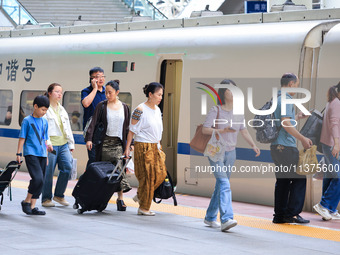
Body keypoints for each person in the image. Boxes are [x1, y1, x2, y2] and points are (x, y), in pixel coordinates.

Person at [202, 79, 260, 232]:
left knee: (221, 185)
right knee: (225, 184)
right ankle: (226, 218)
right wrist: (222, 131)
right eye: (229, 90)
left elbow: (244, 130)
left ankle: (210, 217)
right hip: (215, 153)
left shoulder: (239, 112)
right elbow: (205, 130)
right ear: (223, 93)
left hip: (231, 153)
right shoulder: (216, 110)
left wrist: (253, 145)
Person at [270, 73, 313, 224]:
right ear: (290, 84)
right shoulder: (286, 100)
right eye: (297, 84)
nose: (297, 87)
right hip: (286, 147)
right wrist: (302, 138)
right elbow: (286, 124)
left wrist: (298, 117)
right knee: (299, 178)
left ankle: (279, 215)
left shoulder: (277, 98)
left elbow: (284, 120)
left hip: (276, 147)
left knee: (282, 181)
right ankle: (292, 213)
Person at [85, 80, 132, 211]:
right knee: (105, 173)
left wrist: (130, 145)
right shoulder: (102, 106)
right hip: (104, 143)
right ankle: (102, 198)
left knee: (118, 168)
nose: (107, 95)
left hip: (118, 144)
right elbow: (93, 123)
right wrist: (89, 139)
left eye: (110, 92)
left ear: (117, 92)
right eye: (106, 92)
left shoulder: (125, 107)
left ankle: (120, 198)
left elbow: (128, 127)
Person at [124, 82, 166, 216]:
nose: (160, 98)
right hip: (143, 146)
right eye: (158, 95)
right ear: (150, 94)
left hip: (155, 146)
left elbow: (158, 130)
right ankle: (144, 208)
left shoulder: (157, 109)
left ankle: (141, 195)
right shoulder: (140, 109)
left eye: (162, 95)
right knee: (148, 177)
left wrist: (159, 146)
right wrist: (127, 149)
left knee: (161, 174)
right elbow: (131, 131)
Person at [16, 95, 52, 215]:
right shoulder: (27, 121)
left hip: (42, 154)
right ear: (35, 106)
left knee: (41, 181)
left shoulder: (45, 122)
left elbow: (45, 139)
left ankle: (32, 207)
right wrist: (18, 153)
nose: (44, 112)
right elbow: (22, 138)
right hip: (31, 153)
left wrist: (46, 155)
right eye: (43, 109)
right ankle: (26, 201)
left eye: (46, 110)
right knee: (37, 178)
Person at [41, 83, 75, 207]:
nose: (60, 94)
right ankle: (46, 198)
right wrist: (47, 143)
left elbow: (68, 128)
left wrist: (71, 144)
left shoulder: (62, 109)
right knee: (48, 171)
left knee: (67, 167)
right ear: (49, 93)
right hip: (51, 146)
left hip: (63, 144)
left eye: (61, 92)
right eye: (56, 92)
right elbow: (42, 128)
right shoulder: (44, 109)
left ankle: (59, 195)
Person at [313, 82, 340, 220]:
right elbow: (335, 123)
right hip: (332, 145)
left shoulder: (332, 101)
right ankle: (324, 205)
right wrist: (336, 143)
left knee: (330, 176)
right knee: (338, 177)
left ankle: (330, 209)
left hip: (329, 144)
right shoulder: (336, 103)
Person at [81, 67, 106, 167]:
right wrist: (95, 88)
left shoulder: (107, 91)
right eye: (97, 77)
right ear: (91, 78)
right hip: (92, 132)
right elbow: (86, 103)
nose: (100, 79)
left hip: (105, 131)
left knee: (101, 160)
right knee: (93, 159)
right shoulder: (86, 91)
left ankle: (89, 181)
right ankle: (86, 181)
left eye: (102, 76)